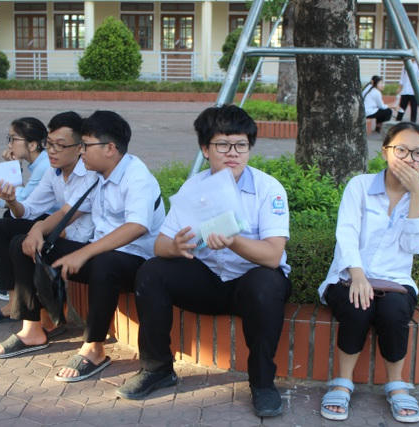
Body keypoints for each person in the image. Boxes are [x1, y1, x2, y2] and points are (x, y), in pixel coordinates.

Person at [117, 105, 291, 418]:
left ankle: (263, 383)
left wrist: (233, 240)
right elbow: (159, 245)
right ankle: (157, 368)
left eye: (241, 145)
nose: (233, 153)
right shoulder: (193, 188)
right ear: (205, 149)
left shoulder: (268, 189)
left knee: (266, 284)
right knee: (152, 272)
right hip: (208, 279)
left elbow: (273, 256)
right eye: (222, 145)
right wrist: (176, 246)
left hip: (250, 283)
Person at [0, 111, 165, 385]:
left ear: (109, 148)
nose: (81, 152)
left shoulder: (136, 176)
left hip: (134, 261)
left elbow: (137, 226)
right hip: (100, 254)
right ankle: (32, 329)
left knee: (104, 262)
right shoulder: (99, 175)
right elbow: (67, 212)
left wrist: (84, 252)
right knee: (22, 244)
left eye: (86, 145)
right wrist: (37, 231)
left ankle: (94, 348)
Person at [318, 122, 419, 423]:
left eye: (417, 153)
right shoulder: (359, 186)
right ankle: (343, 382)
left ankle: (397, 385)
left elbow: (416, 246)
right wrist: (358, 275)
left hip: (396, 281)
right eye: (401, 150)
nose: (409, 159)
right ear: (385, 152)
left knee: (394, 312)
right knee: (359, 306)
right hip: (348, 275)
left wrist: (417, 195)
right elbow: (346, 232)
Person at [0, 112, 94, 326]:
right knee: (2, 227)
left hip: (79, 238)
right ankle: (14, 303)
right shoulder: (53, 171)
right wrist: (12, 201)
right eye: (49, 144)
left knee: (21, 242)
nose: (52, 150)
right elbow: (29, 209)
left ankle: (38, 320)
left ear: (79, 148)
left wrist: (39, 230)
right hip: (59, 227)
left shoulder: (89, 174)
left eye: (60, 145)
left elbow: (68, 216)